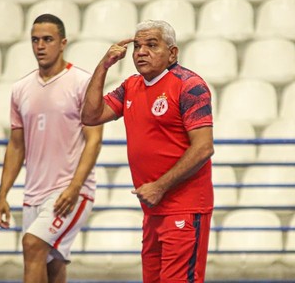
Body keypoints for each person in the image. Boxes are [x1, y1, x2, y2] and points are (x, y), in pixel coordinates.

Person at [81, 20, 214, 283]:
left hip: (184, 209)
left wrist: (160, 186)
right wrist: (104, 66)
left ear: (172, 53)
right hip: (153, 210)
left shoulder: (190, 86)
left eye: (151, 45)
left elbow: (203, 147)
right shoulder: (131, 85)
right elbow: (90, 115)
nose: (141, 52)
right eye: (137, 46)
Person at [0, 14, 103, 283]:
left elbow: (94, 139)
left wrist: (75, 186)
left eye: (47, 39)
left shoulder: (82, 82)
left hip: (71, 191)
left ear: (63, 43)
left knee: (32, 245)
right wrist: (3, 194)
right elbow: (16, 145)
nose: (40, 46)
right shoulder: (21, 89)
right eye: (35, 40)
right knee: (52, 263)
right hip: (33, 194)